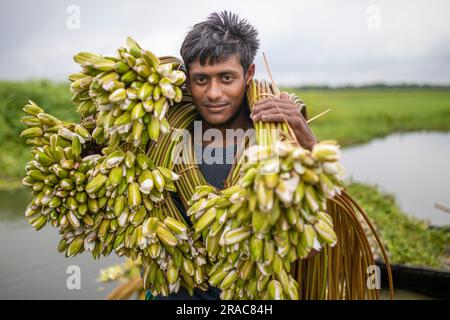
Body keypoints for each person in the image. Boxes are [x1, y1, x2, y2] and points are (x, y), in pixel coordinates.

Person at [147, 11, 318, 300]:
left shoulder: (279, 140)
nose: (214, 93)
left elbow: (316, 227)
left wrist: (306, 137)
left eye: (227, 78)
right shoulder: (159, 135)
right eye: (201, 79)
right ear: (187, 81)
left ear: (248, 74)